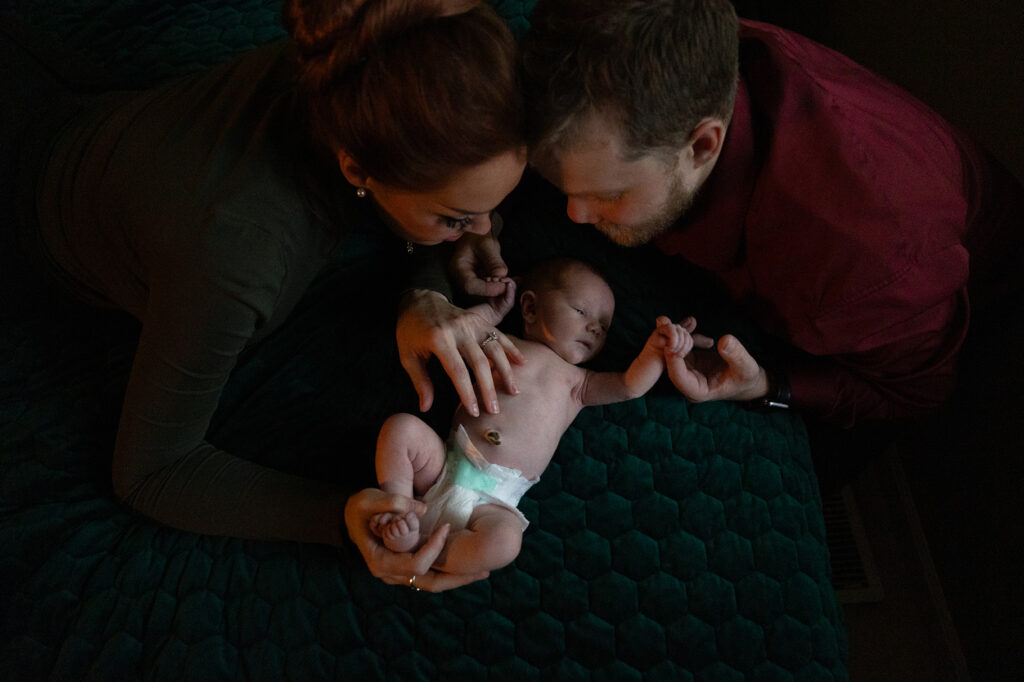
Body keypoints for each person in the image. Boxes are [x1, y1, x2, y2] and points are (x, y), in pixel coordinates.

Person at [6, 0, 532, 592]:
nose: (486, 233)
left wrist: (426, 285)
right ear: (358, 170)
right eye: (458, 218)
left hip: (73, 92)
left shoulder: (357, 52)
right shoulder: (235, 260)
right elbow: (152, 471)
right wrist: (340, 515)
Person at [449, 0, 1022, 490]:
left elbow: (916, 391)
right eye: (563, 187)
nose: (575, 214)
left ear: (701, 146)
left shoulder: (863, 262)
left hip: (930, 310)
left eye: (609, 194)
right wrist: (486, 214)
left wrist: (769, 384)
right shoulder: (657, 51)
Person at [370, 258, 695, 579]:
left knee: (506, 543)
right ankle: (397, 507)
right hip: (445, 463)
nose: (595, 328)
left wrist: (657, 351)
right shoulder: (505, 346)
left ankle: (425, 549)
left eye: (604, 326)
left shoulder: (579, 384)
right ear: (529, 308)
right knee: (402, 428)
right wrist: (493, 313)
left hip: (493, 501)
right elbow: (460, 331)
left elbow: (629, 386)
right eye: (581, 311)